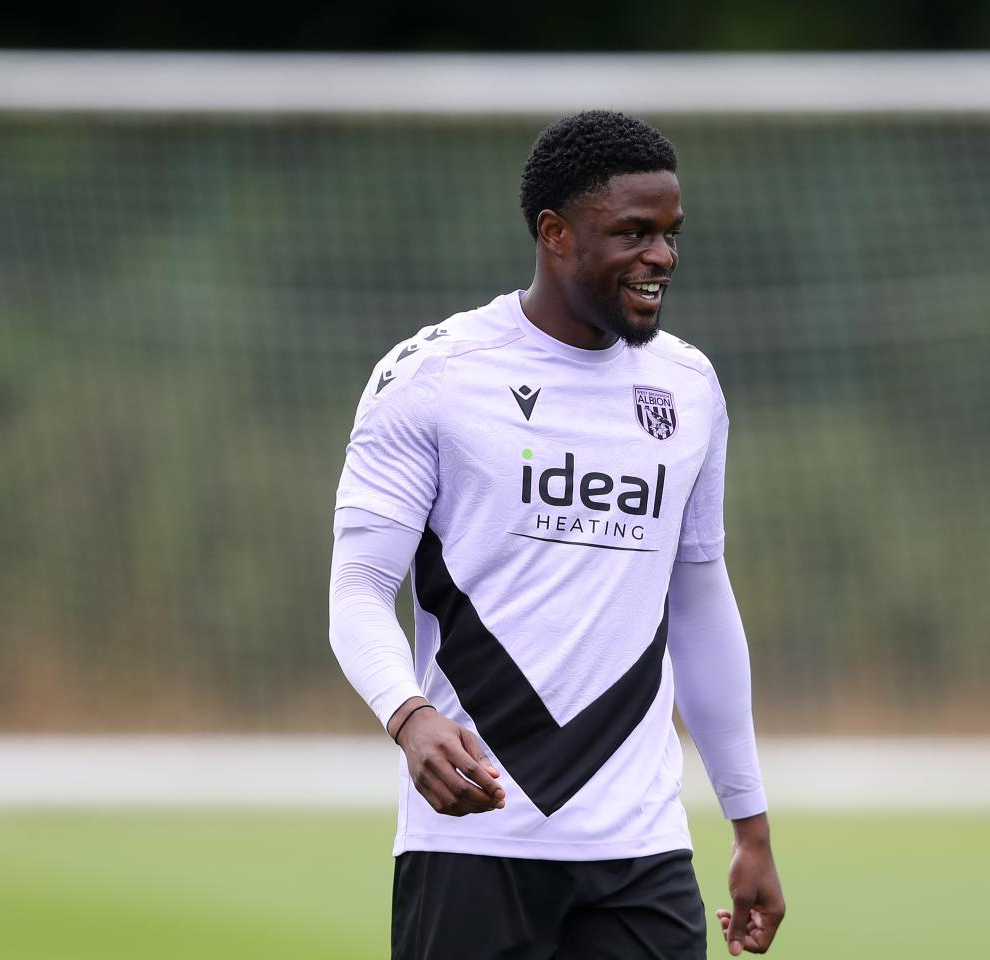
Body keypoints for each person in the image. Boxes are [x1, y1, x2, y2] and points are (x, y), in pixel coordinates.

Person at [329, 110, 783, 959]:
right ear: (556, 235)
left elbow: (699, 598)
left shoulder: (688, 387)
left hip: (641, 851)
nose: (662, 258)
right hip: (475, 842)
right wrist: (409, 715)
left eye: (672, 235)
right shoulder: (434, 377)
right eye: (634, 233)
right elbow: (356, 590)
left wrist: (748, 823)